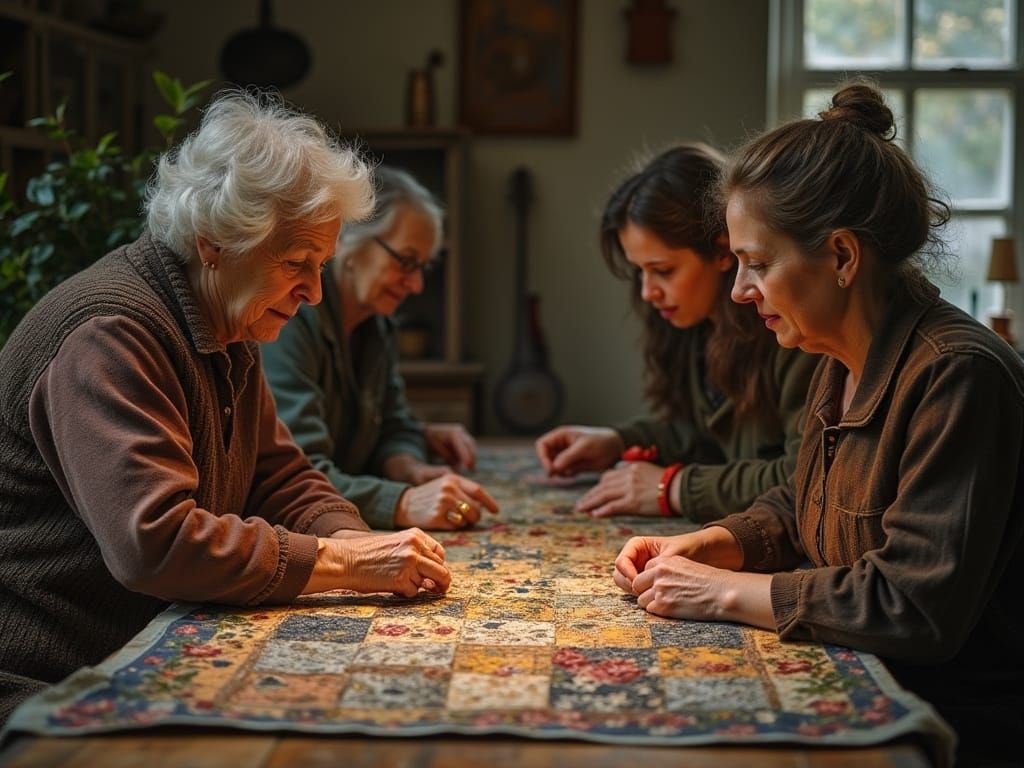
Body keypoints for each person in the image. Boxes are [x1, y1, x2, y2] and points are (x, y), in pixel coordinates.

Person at [0, 91, 452, 725]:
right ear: (214, 242)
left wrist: (358, 540)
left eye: (322, 266)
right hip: (50, 679)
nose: (316, 293)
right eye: (298, 264)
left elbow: (280, 476)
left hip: (145, 652)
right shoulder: (111, 334)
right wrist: (347, 563)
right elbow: (156, 543)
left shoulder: (225, 324)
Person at [614, 84, 1024, 766]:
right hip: (868, 680)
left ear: (839, 256)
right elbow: (804, 502)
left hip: (945, 718)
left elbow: (912, 606)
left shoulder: (958, 374)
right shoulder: (839, 356)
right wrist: (715, 542)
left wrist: (721, 591)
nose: (742, 291)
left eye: (759, 263)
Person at [535, 145, 818, 523]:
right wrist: (619, 441)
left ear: (723, 251)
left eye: (663, 271)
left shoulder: (792, 331)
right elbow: (704, 438)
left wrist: (673, 488)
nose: (647, 292)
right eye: (640, 272)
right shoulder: (697, 328)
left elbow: (805, 478)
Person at [262, 166, 498, 531]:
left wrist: (409, 467)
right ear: (348, 241)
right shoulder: (290, 319)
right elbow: (295, 473)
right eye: (405, 262)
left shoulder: (378, 325)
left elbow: (393, 424)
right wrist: (401, 502)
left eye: (422, 267)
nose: (417, 284)